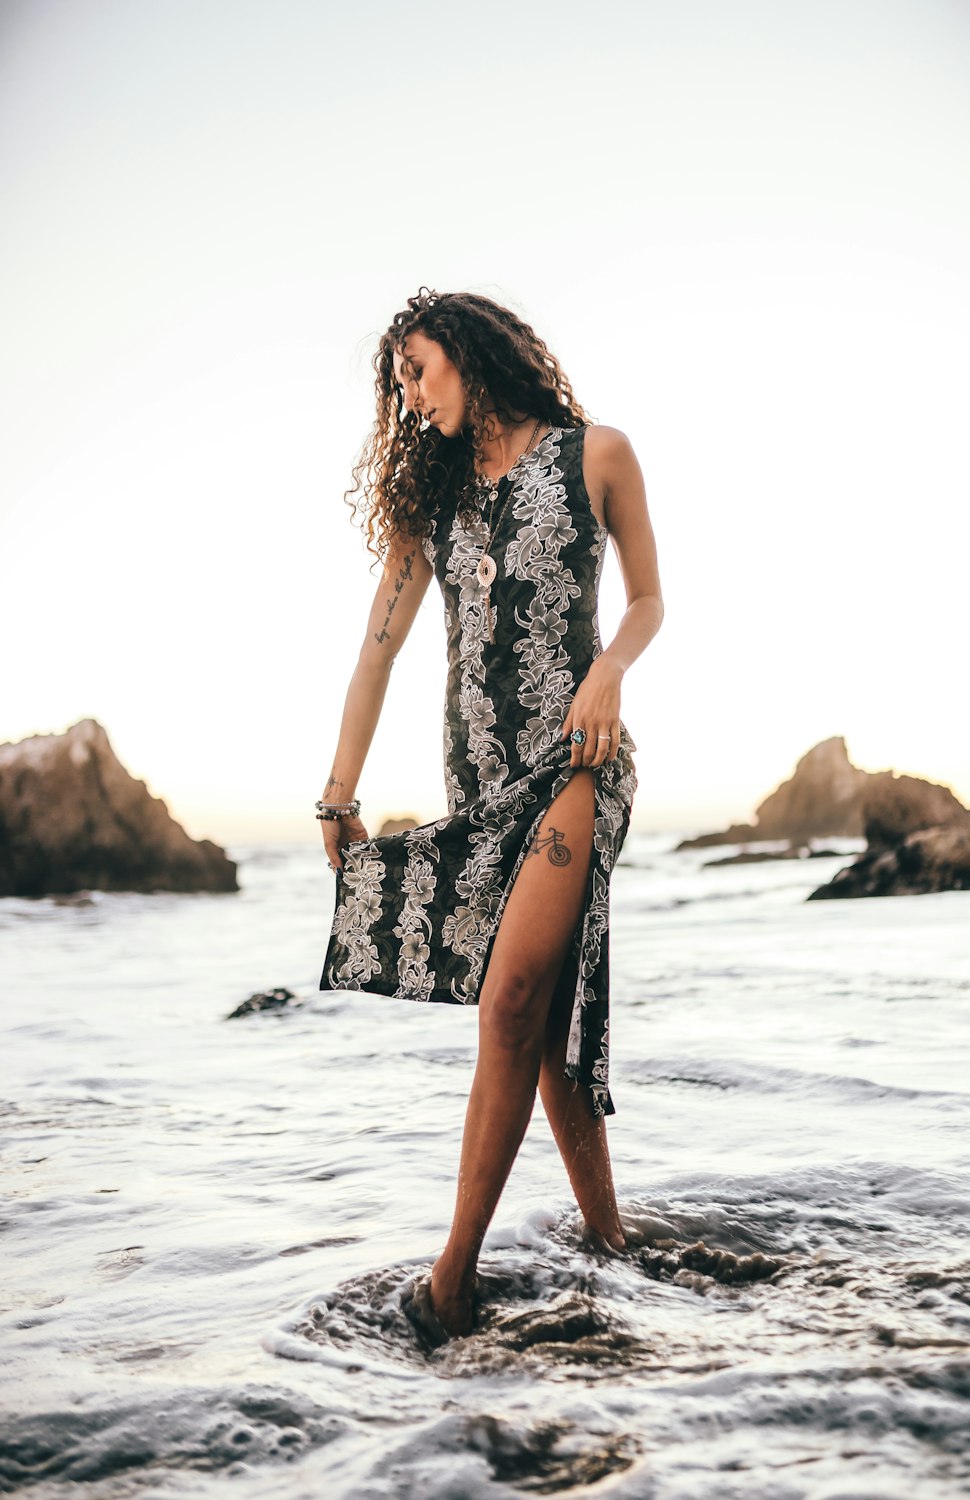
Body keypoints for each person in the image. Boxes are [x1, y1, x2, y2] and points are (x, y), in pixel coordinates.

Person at [317, 289, 663, 1344]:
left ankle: (451, 1278)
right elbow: (377, 652)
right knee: (547, 1021)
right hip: (480, 789)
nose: (411, 396)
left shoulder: (596, 454)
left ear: (468, 352)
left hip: (575, 765)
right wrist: (338, 790)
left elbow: (650, 599)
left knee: (509, 1000)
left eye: (418, 369)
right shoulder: (433, 507)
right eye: (399, 386)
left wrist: (606, 674)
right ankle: (609, 1242)